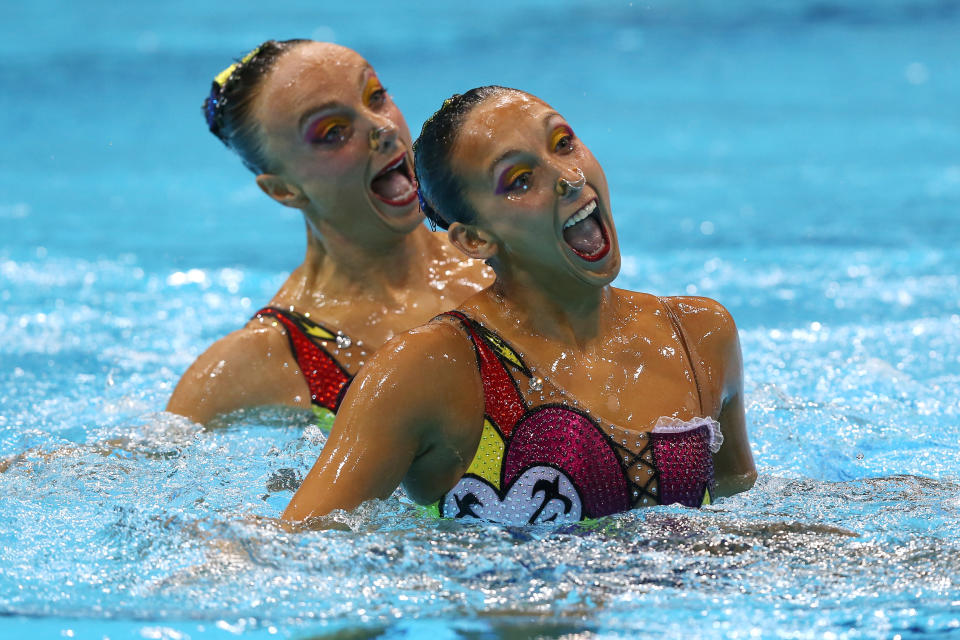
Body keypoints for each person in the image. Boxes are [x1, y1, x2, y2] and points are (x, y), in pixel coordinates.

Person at [282, 86, 757, 526]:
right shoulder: (433, 367)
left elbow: (737, 498)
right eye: (521, 180)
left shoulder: (697, 334)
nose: (569, 179)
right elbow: (300, 541)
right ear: (474, 238)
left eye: (564, 143)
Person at [167, 41, 491, 425]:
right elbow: (135, 466)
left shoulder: (501, 257)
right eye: (334, 132)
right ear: (283, 190)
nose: (384, 129)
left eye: (376, 97)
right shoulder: (266, 360)